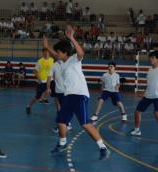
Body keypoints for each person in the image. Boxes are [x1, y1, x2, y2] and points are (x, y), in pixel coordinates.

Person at [43, 25, 110, 160]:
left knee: (85, 124)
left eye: (59, 53)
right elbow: (55, 54)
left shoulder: (74, 59)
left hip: (80, 95)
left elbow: (81, 53)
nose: (56, 55)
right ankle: (62, 143)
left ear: (65, 53)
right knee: (61, 120)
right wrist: (46, 46)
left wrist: (71, 38)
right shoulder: (62, 62)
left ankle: (103, 147)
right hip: (68, 96)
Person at [130, 51, 158, 146]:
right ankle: (137, 130)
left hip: (157, 96)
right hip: (148, 96)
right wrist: (143, 93)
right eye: (150, 58)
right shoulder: (150, 70)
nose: (150, 59)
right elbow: (150, 84)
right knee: (137, 112)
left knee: (157, 115)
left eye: (153, 58)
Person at [26, 48, 54, 114]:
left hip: (51, 81)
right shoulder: (40, 61)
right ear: (43, 53)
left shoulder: (52, 60)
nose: (46, 53)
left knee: (56, 95)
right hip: (42, 81)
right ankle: (28, 106)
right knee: (37, 97)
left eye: (48, 52)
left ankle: (59, 109)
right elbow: (35, 71)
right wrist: (39, 79)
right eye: (45, 52)